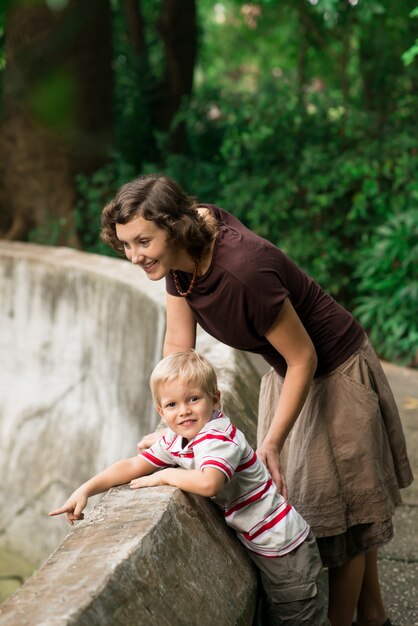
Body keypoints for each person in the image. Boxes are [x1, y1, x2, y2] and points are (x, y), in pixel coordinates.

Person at [99, 173, 413, 626]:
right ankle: (376, 616)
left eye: (142, 241)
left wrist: (271, 443)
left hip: (334, 372)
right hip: (288, 372)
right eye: (126, 245)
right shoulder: (181, 259)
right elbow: (178, 346)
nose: (134, 255)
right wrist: (172, 426)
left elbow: (304, 355)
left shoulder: (242, 270)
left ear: (173, 227)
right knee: (338, 512)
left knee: (339, 521)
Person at [49, 350, 329, 625]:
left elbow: (209, 482)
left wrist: (166, 476)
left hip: (284, 548)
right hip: (263, 543)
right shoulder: (178, 438)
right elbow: (134, 465)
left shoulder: (217, 437)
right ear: (161, 410)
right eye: (172, 405)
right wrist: (86, 489)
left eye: (193, 399)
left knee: (299, 619)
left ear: (215, 399)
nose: (183, 411)